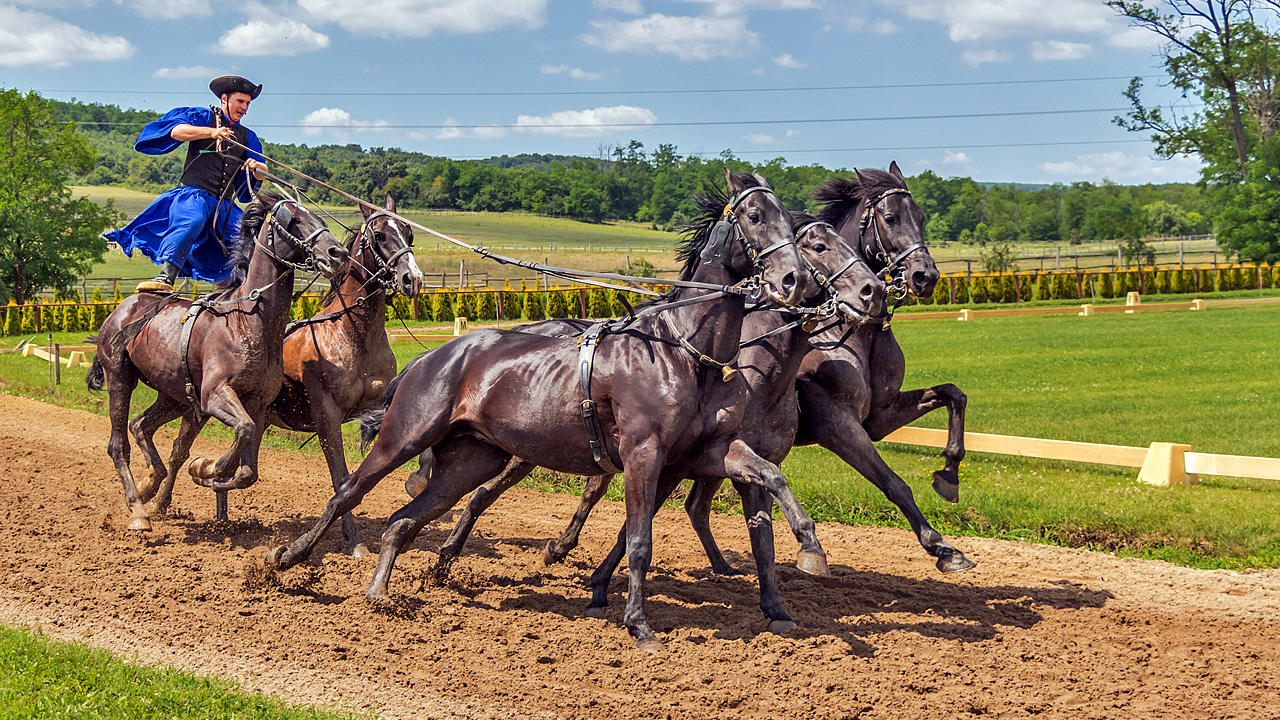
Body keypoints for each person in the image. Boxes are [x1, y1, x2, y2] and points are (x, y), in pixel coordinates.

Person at [106, 76, 269, 293]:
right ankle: (165, 277)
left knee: (251, 238)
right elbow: (176, 131)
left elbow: (261, 171)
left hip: (225, 205)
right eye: (240, 101)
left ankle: (240, 288)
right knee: (192, 222)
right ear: (224, 98)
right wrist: (211, 132)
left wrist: (257, 169)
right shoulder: (202, 116)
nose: (244, 108)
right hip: (194, 196)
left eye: (247, 104)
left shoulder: (248, 137)